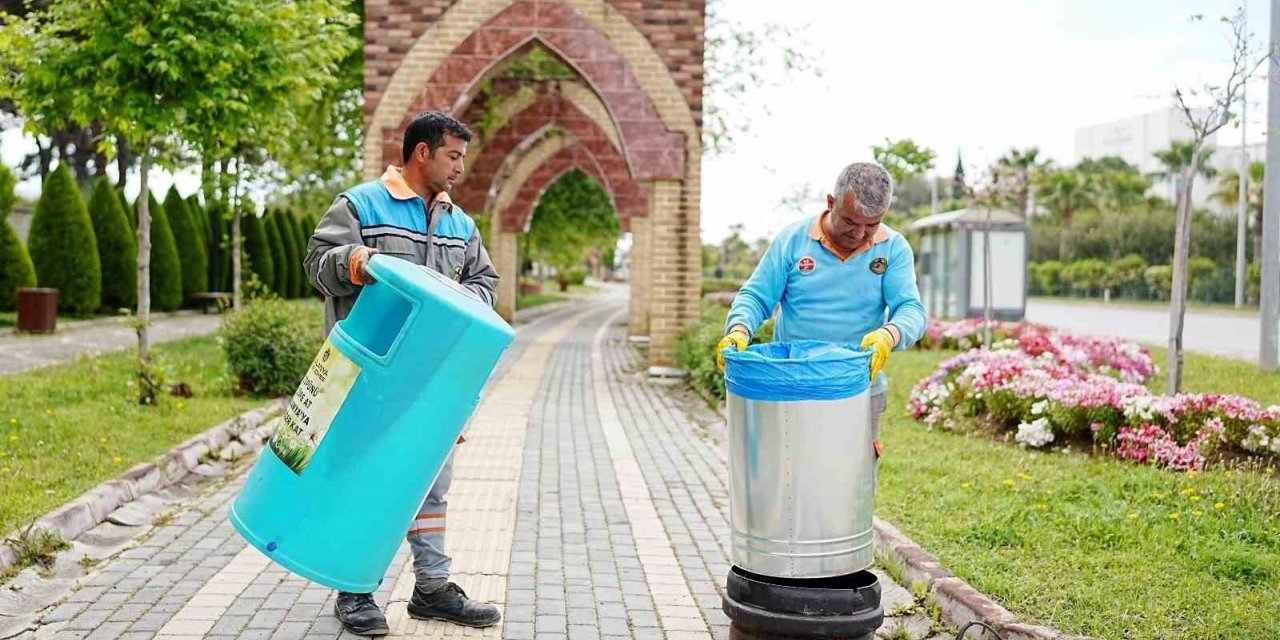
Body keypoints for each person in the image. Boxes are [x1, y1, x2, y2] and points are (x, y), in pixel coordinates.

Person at [304, 111, 501, 636]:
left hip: (431, 383)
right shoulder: (360, 204)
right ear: (423, 153)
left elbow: (485, 280)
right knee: (365, 479)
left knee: (430, 486)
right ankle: (355, 589)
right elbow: (317, 265)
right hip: (368, 375)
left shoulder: (460, 224)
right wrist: (356, 261)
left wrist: (464, 298)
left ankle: (432, 590)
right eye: (453, 156)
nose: (460, 166)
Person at [716, 162, 927, 458]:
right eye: (851, 222)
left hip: (858, 388)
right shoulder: (792, 240)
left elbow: (911, 309)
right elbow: (756, 296)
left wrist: (889, 335)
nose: (860, 233)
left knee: (851, 483)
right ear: (831, 203)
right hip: (792, 386)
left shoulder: (893, 247)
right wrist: (739, 330)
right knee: (791, 475)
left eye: (872, 224)